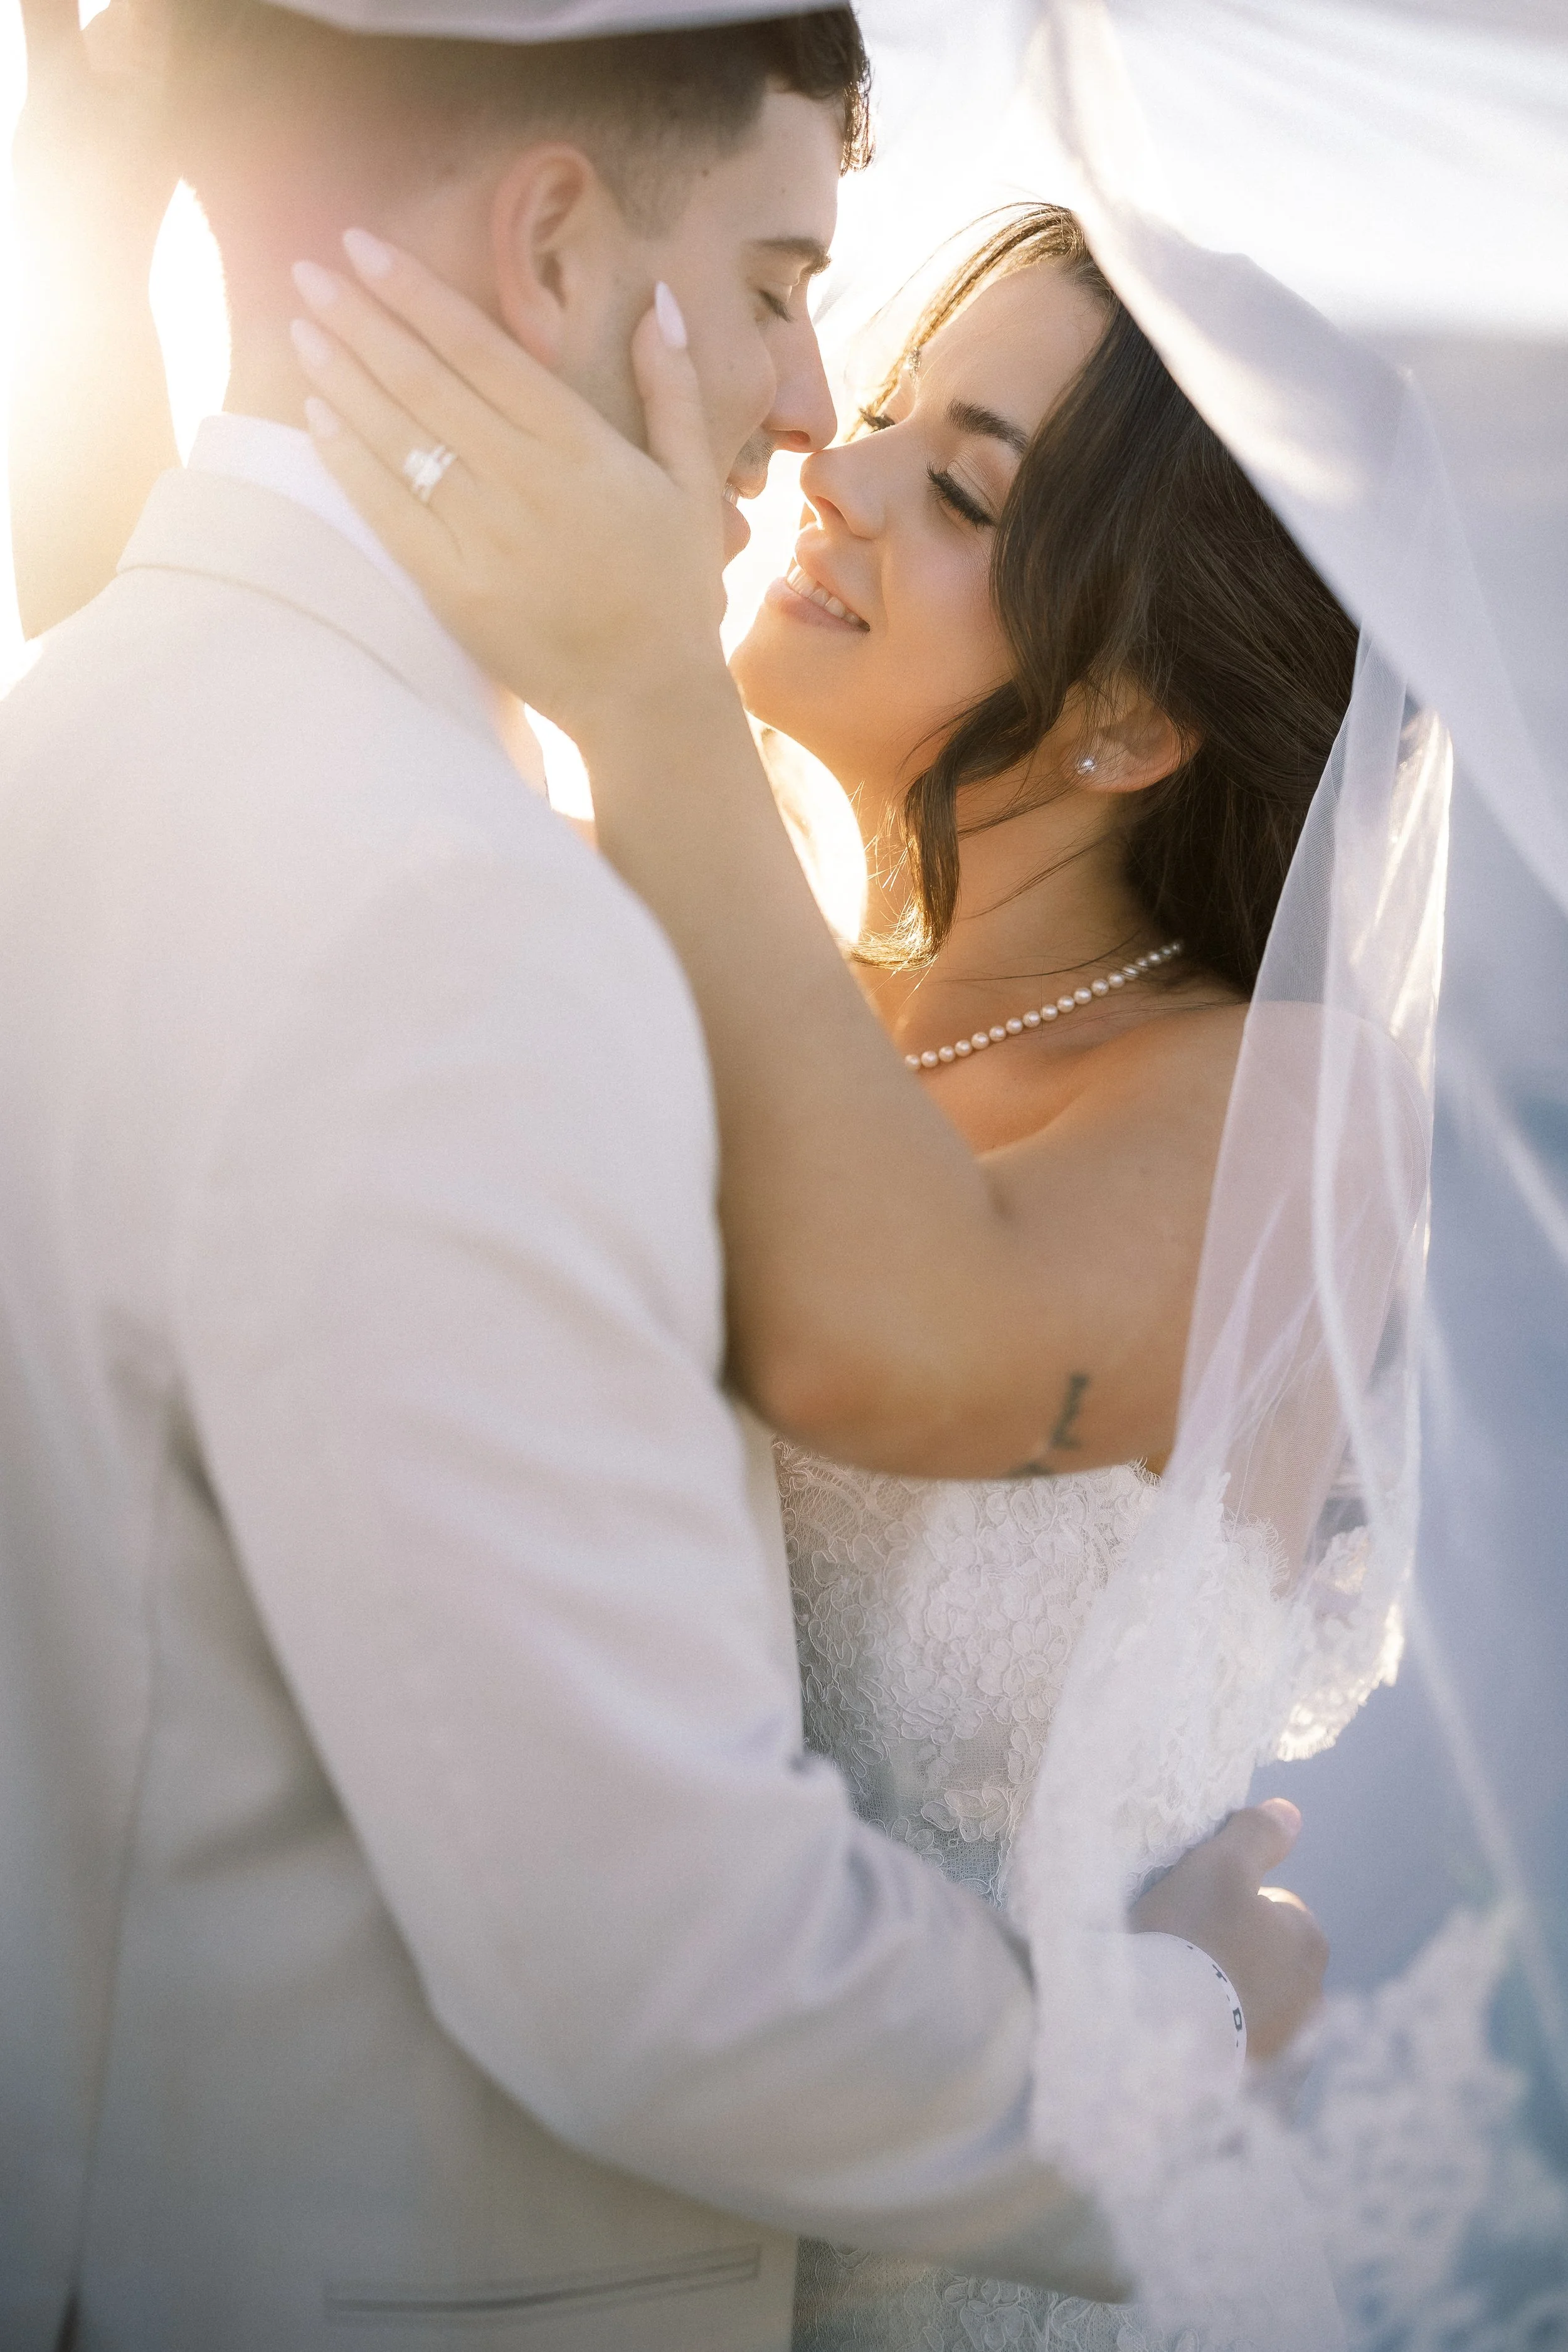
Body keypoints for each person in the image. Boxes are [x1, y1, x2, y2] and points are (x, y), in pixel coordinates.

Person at [0, 6, 1329, 2351]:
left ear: (1131, 716)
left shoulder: (1257, 1093)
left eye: (961, 486)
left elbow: (909, 1330)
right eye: (811, 311)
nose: (828, 440)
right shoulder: (535, 925)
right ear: (548, 243)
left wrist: (637, 687)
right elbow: (641, 1941)